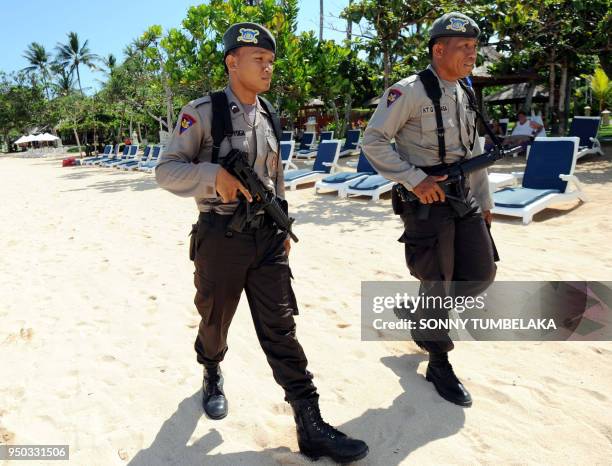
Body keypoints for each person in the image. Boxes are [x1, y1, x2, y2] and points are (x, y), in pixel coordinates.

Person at [155, 22, 368, 464]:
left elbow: (275, 176)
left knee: (282, 327)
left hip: (267, 237)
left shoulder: (268, 112)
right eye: (259, 60)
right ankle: (212, 370)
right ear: (233, 62)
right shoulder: (203, 112)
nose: (268, 68)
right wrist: (213, 176)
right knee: (215, 322)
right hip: (220, 236)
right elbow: (166, 170)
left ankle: (310, 424)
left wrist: (284, 221)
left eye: (271, 61)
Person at [362, 12, 497, 407]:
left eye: (475, 47)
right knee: (438, 281)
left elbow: (474, 153)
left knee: (481, 272)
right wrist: (412, 178)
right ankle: (439, 361)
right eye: (464, 48)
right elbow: (374, 141)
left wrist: (485, 201)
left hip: (464, 198)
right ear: (439, 50)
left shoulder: (466, 91)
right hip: (426, 202)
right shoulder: (408, 92)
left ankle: (423, 318)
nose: (473, 54)